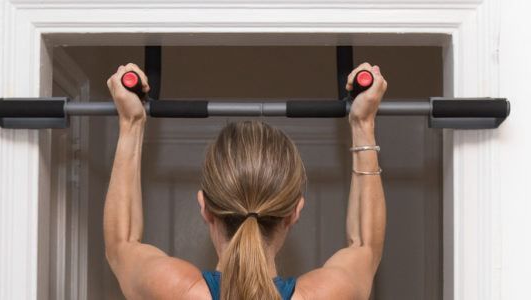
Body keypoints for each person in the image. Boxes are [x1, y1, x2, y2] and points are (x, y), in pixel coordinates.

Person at [104, 62, 387, 300]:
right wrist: (363, 124)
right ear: (295, 211)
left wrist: (131, 122)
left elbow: (122, 244)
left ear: (204, 206)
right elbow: (365, 247)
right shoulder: (323, 294)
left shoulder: (179, 291)